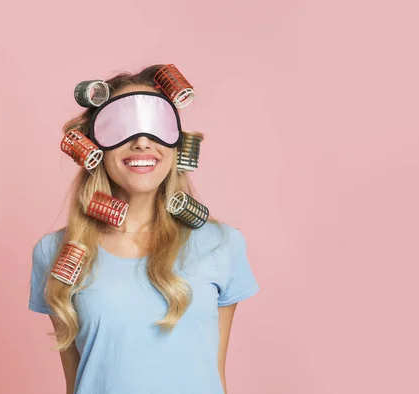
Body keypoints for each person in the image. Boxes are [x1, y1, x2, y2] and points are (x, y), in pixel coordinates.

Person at [29, 64, 260, 394]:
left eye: (156, 127)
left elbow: (215, 376)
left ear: (176, 145)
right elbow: (75, 383)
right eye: (122, 126)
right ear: (95, 146)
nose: (141, 141)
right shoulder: (54, 252)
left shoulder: (221, 245)